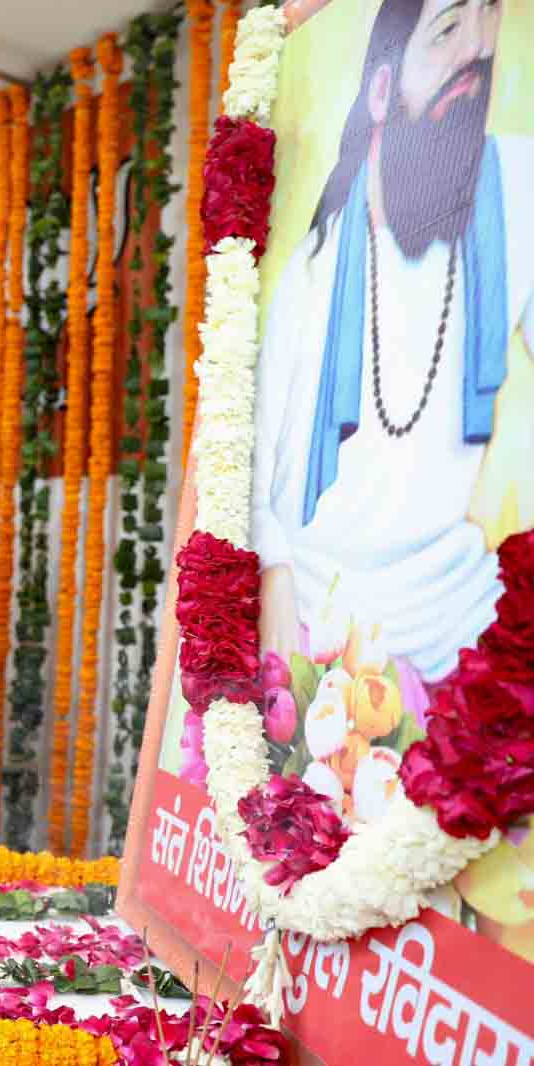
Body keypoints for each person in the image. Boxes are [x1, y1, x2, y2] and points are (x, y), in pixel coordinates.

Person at [254, 0, 533, 683]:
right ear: (381, 90)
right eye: (446, 29)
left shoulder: (520, 191)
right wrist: (276, 573)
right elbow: (256, 476)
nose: (477, 48)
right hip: (323, 631)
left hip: (465, 611)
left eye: (487, 15)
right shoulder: (311, 271)